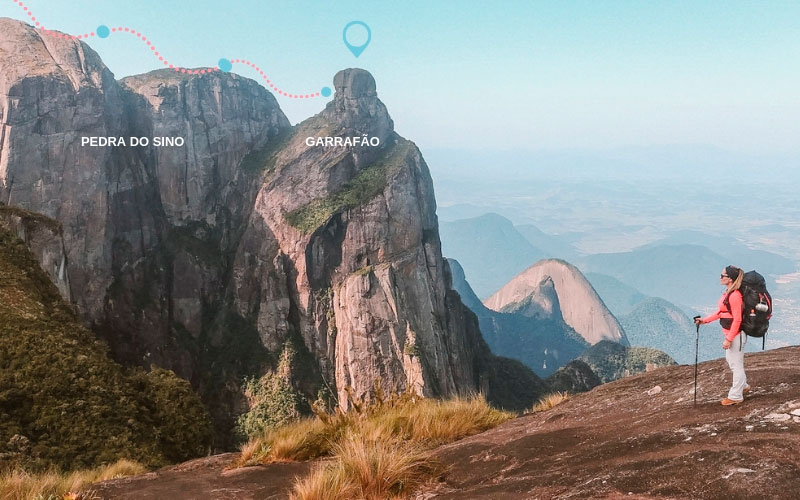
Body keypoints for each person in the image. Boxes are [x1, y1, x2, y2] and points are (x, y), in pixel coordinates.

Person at [694, 265, 750, 405]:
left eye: (722, 276)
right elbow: (721, 312)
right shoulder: (728, 293)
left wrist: (729, 339)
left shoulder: (735, 295)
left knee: (736, 365)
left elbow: (737, 319)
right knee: (732, 362)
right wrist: (704, 321)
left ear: (730, 279)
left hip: (736, 335)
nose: (720, 278)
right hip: (732, 334)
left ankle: (736, 396)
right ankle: (743, 386)